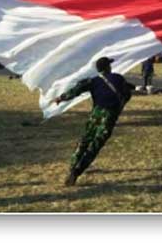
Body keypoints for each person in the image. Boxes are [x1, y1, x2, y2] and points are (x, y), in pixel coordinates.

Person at [54, 56, 135, 186]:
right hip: (109, 116)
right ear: (108, 67)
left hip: (95, 114)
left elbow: (76, 90)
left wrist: (61, 98)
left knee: (85, 140)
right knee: (96, 144)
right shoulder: (118, 78)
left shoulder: (93, 81)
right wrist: (121, 104)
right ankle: (77, 172)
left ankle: (73, 165)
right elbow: (127, 92)